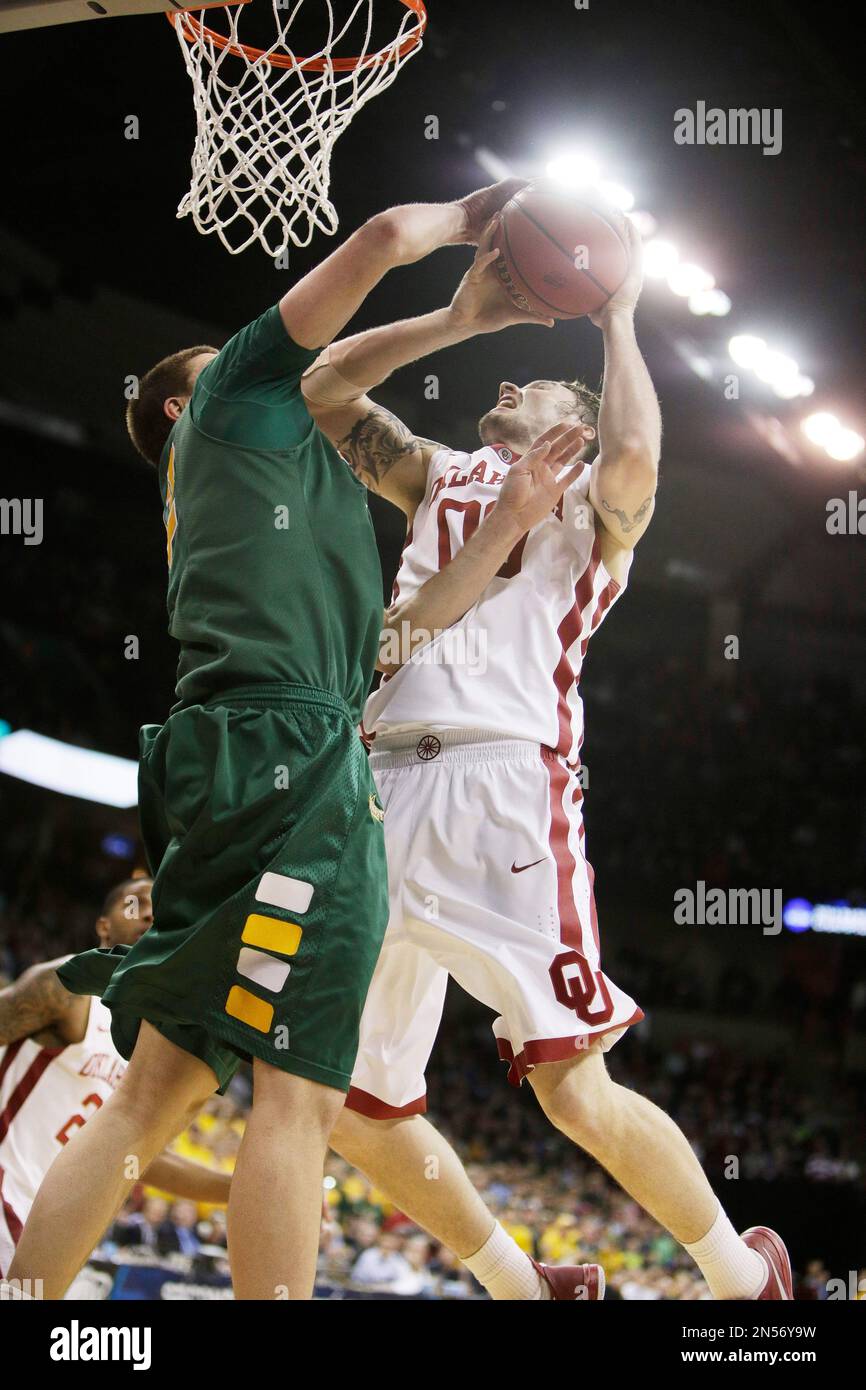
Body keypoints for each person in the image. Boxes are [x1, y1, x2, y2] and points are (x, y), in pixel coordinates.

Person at [7, 179, 581, 1302]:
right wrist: (471, 220)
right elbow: (370, 248)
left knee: (154, 1089)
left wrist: (505, 524)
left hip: (236, 738)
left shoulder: (271, 482)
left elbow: (396, 638)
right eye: (214, 359)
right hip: (291, 749)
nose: (241, 358)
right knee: (299, 1094)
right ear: (186, 403)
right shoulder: (230, 402)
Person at [303, 207, 793, 1301]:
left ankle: (735, 1276)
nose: (513, 384)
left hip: (501, 787)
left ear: (567, 418)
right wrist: (455, 315)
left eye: (534, 382)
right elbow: (323, 389)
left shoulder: (591, 511)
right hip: (372, 784)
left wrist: (619, 318)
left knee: (570, 1091)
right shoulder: (434, 472)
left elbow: (634, 455)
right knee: (352, 1100)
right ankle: (524, 1286)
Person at [0, 876, 229, 1277]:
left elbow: (142, 1159)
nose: (151, 911)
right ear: (103, 926)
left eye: (164, 904)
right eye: (135, 902)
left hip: (50, 1231)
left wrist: (244, 1190)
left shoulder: (161, 1043)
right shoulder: (68, 989)